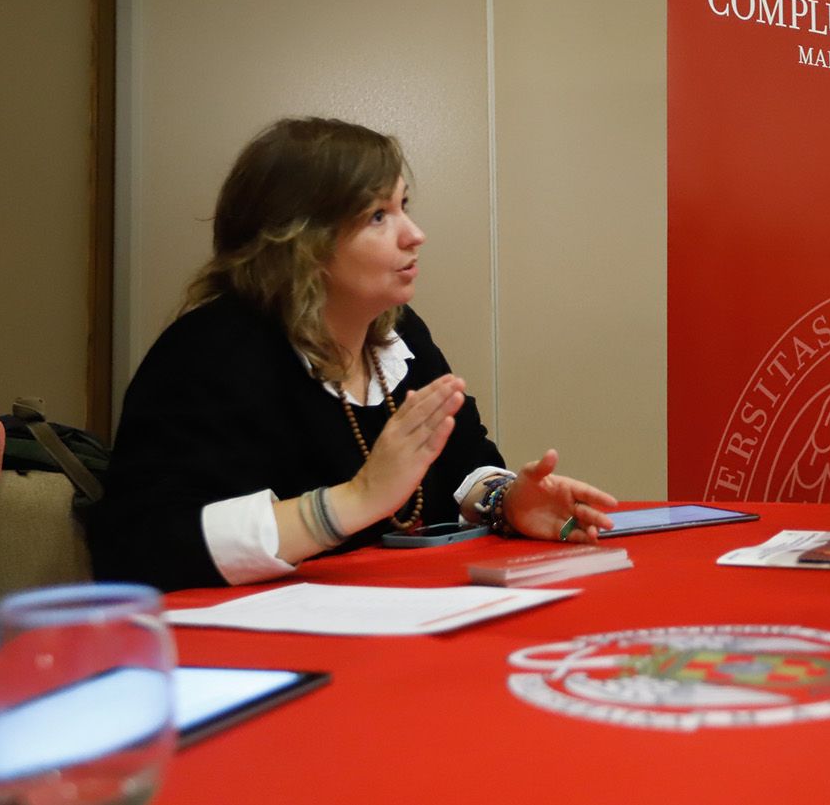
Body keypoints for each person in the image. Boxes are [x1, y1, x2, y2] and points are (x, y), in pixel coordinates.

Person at [87, 118, 617, 592]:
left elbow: (463, 461)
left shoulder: (397, 335)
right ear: (299, 243)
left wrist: (507, 501)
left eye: (403, 206)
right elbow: (142, 548)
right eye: (377, 216)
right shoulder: (207, 352)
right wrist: (356, 499)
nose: (415, 234)